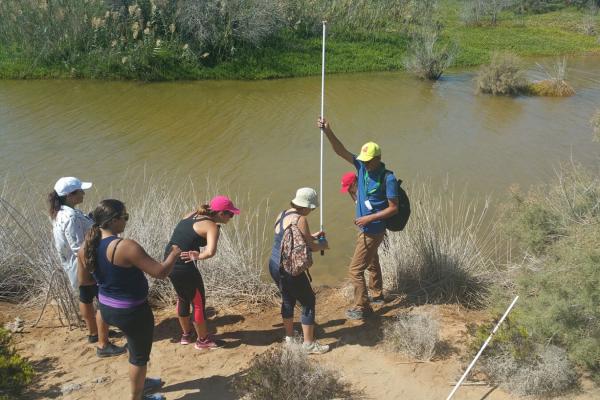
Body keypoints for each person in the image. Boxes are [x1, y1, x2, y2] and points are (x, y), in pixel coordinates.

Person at [79, 199, 182, 400]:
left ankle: (141, 381)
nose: (126, 221)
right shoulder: (125, 246)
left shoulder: (86, 246)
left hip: (106, 309)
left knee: (134, 352)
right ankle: (138, 396)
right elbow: (160, 272)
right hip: (133, 312)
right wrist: (174, 255)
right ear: (114, 220)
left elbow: (84, 281)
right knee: (139, 357)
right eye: (125, 217)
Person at [319, 118, 399, 320]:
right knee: (372, 260)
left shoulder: (388, 178)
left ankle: (362, 307)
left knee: (355, 270)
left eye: (368, 160)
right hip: (366, 227)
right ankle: (377, 295)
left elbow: (393, 208)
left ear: (378, 158)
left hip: (373, 229)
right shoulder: (362, 168)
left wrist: (368, 218)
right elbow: (340, 151)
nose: (364, 162)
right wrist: (328, 131)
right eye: (363, 159)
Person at [49, 176, 125, 357]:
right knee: (103, 300)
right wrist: (93, 266)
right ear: (70, 195)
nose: (83, 193)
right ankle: (103, 343)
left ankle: (94, 333)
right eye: (80, 191)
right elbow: (77, 247)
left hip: (74, 264)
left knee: (85, 298)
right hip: (83, 264)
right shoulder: (70, 216)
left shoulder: (60, 212)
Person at [165, 195, 239, 350]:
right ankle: (203, 341)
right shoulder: (211, 226)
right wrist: (198, 255)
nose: (231, 217)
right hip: (184, 265)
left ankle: (186, 335)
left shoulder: (192, 214)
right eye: (230, 214)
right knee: (198, 302)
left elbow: (184, 234)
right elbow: (210, 252)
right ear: (221, 213)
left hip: (169, 259)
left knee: (183, 297)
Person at [269, 187, 330, 354]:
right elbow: (311, 247)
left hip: (274, 264)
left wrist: (313, 235)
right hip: (290, 268)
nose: (312, 210)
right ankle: (309, 344)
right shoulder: (301, 219)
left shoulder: (283, 214)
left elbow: (292, 238)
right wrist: (323, 245)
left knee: (287, 299)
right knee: (308, 301)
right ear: (306, 206)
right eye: (312, 207)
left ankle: (289, 337)